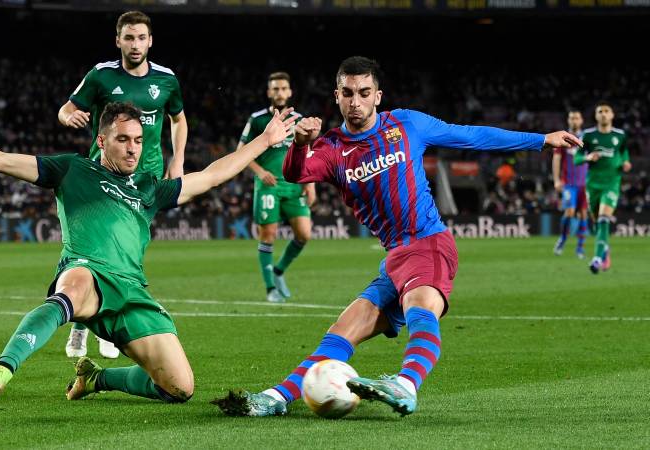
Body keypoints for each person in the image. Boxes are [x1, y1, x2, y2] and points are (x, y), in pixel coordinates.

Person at [213, 56, 580, 417]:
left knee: (421, 309)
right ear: (336, 96)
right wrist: (299, 143)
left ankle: (406, 384)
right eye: (347, 93)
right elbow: (296, 174)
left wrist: (541, 140)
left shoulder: (407, 124)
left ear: (378, 95)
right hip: (395, 259)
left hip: (429, 243)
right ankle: (275, 398)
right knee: (341, 331)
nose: (355, 101)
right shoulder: (331, 148)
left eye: (364, 92)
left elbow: (469, 135)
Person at [0, 101, 297, 404]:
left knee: (179, 388)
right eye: (123, 140)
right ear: (102, 140)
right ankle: (1, 369)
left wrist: (264, 141)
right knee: (74, 284)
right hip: (87, 272)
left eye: (138, 140)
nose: (133, 148)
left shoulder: (149, 187)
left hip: (131, 292)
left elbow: (210, 176)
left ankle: (95, 379)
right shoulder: (73, 170)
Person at [58, 10, 188, 358]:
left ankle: (103, 319)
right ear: (118, 40)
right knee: (96, 249)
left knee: (125, 250)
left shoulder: (166, 80)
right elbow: (65, 109)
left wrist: (178, 160)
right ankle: (83, 326)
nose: (135, 44)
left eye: (141, 37)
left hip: (146, 180)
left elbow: (179, 119)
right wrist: (69, 115)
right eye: (128, 38)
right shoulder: (101, 75)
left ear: (151, 41)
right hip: (102, 175)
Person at [237, 72, 315, 302]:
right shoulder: (258, 119)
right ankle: (271, 288)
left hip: (294, 185)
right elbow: (241, 152)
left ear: (289, 92)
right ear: (269, 92)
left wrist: (310, 183)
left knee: (304, 233)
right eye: (275, 89)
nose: (279, 92)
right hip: (268, 185)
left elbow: (308, 153)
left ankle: (279, 271)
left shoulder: (300, 120)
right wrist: (260, 172)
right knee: (268, 234)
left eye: (283, 89)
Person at [574, 101, 631, 274]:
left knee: (604, 219)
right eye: (600, 111)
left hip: (612, 183)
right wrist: (588, 157)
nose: (604, 114)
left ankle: (597, 258)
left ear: (612, 115)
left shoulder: (620, 135)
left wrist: (625, 163)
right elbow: (577, 158)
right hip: (593, 184)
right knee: (596, 223)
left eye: (607, 111)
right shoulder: (588, 135)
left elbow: (624, 154)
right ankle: (604, 248)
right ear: (596, 115)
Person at [552, 109, 588, 259]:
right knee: (570, 211)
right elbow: (557, 159)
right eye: (571, 118)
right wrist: (556, 179)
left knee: (584, 214)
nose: (574, 121)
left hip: (585, 184)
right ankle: (562, 239)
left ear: (581, 121)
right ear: (568, 121)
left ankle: (580, 248)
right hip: (569, 183)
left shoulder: (588, 137)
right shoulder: (564, 137)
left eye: (576, 118)